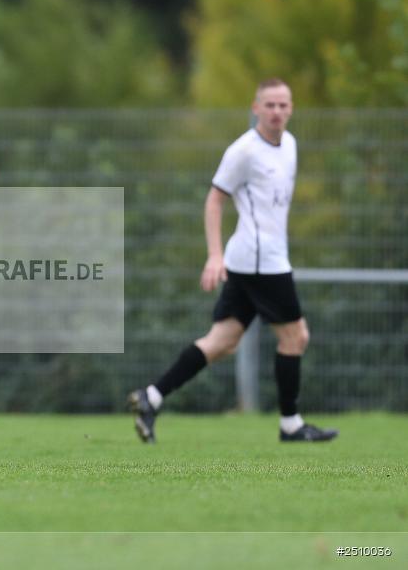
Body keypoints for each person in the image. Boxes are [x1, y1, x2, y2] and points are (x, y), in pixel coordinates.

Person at [128, 78, 338, 444]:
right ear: (255, 108)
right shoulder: (243, 151)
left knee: (222, 341)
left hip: (259, 259)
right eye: (269, 105)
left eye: (283, 105)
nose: (276, 112)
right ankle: (291, 425)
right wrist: (214, 255)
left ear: (291, 109)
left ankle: (152, 396)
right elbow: (214, 200)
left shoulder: (289, 144)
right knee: (296, 336)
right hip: (262, 262)